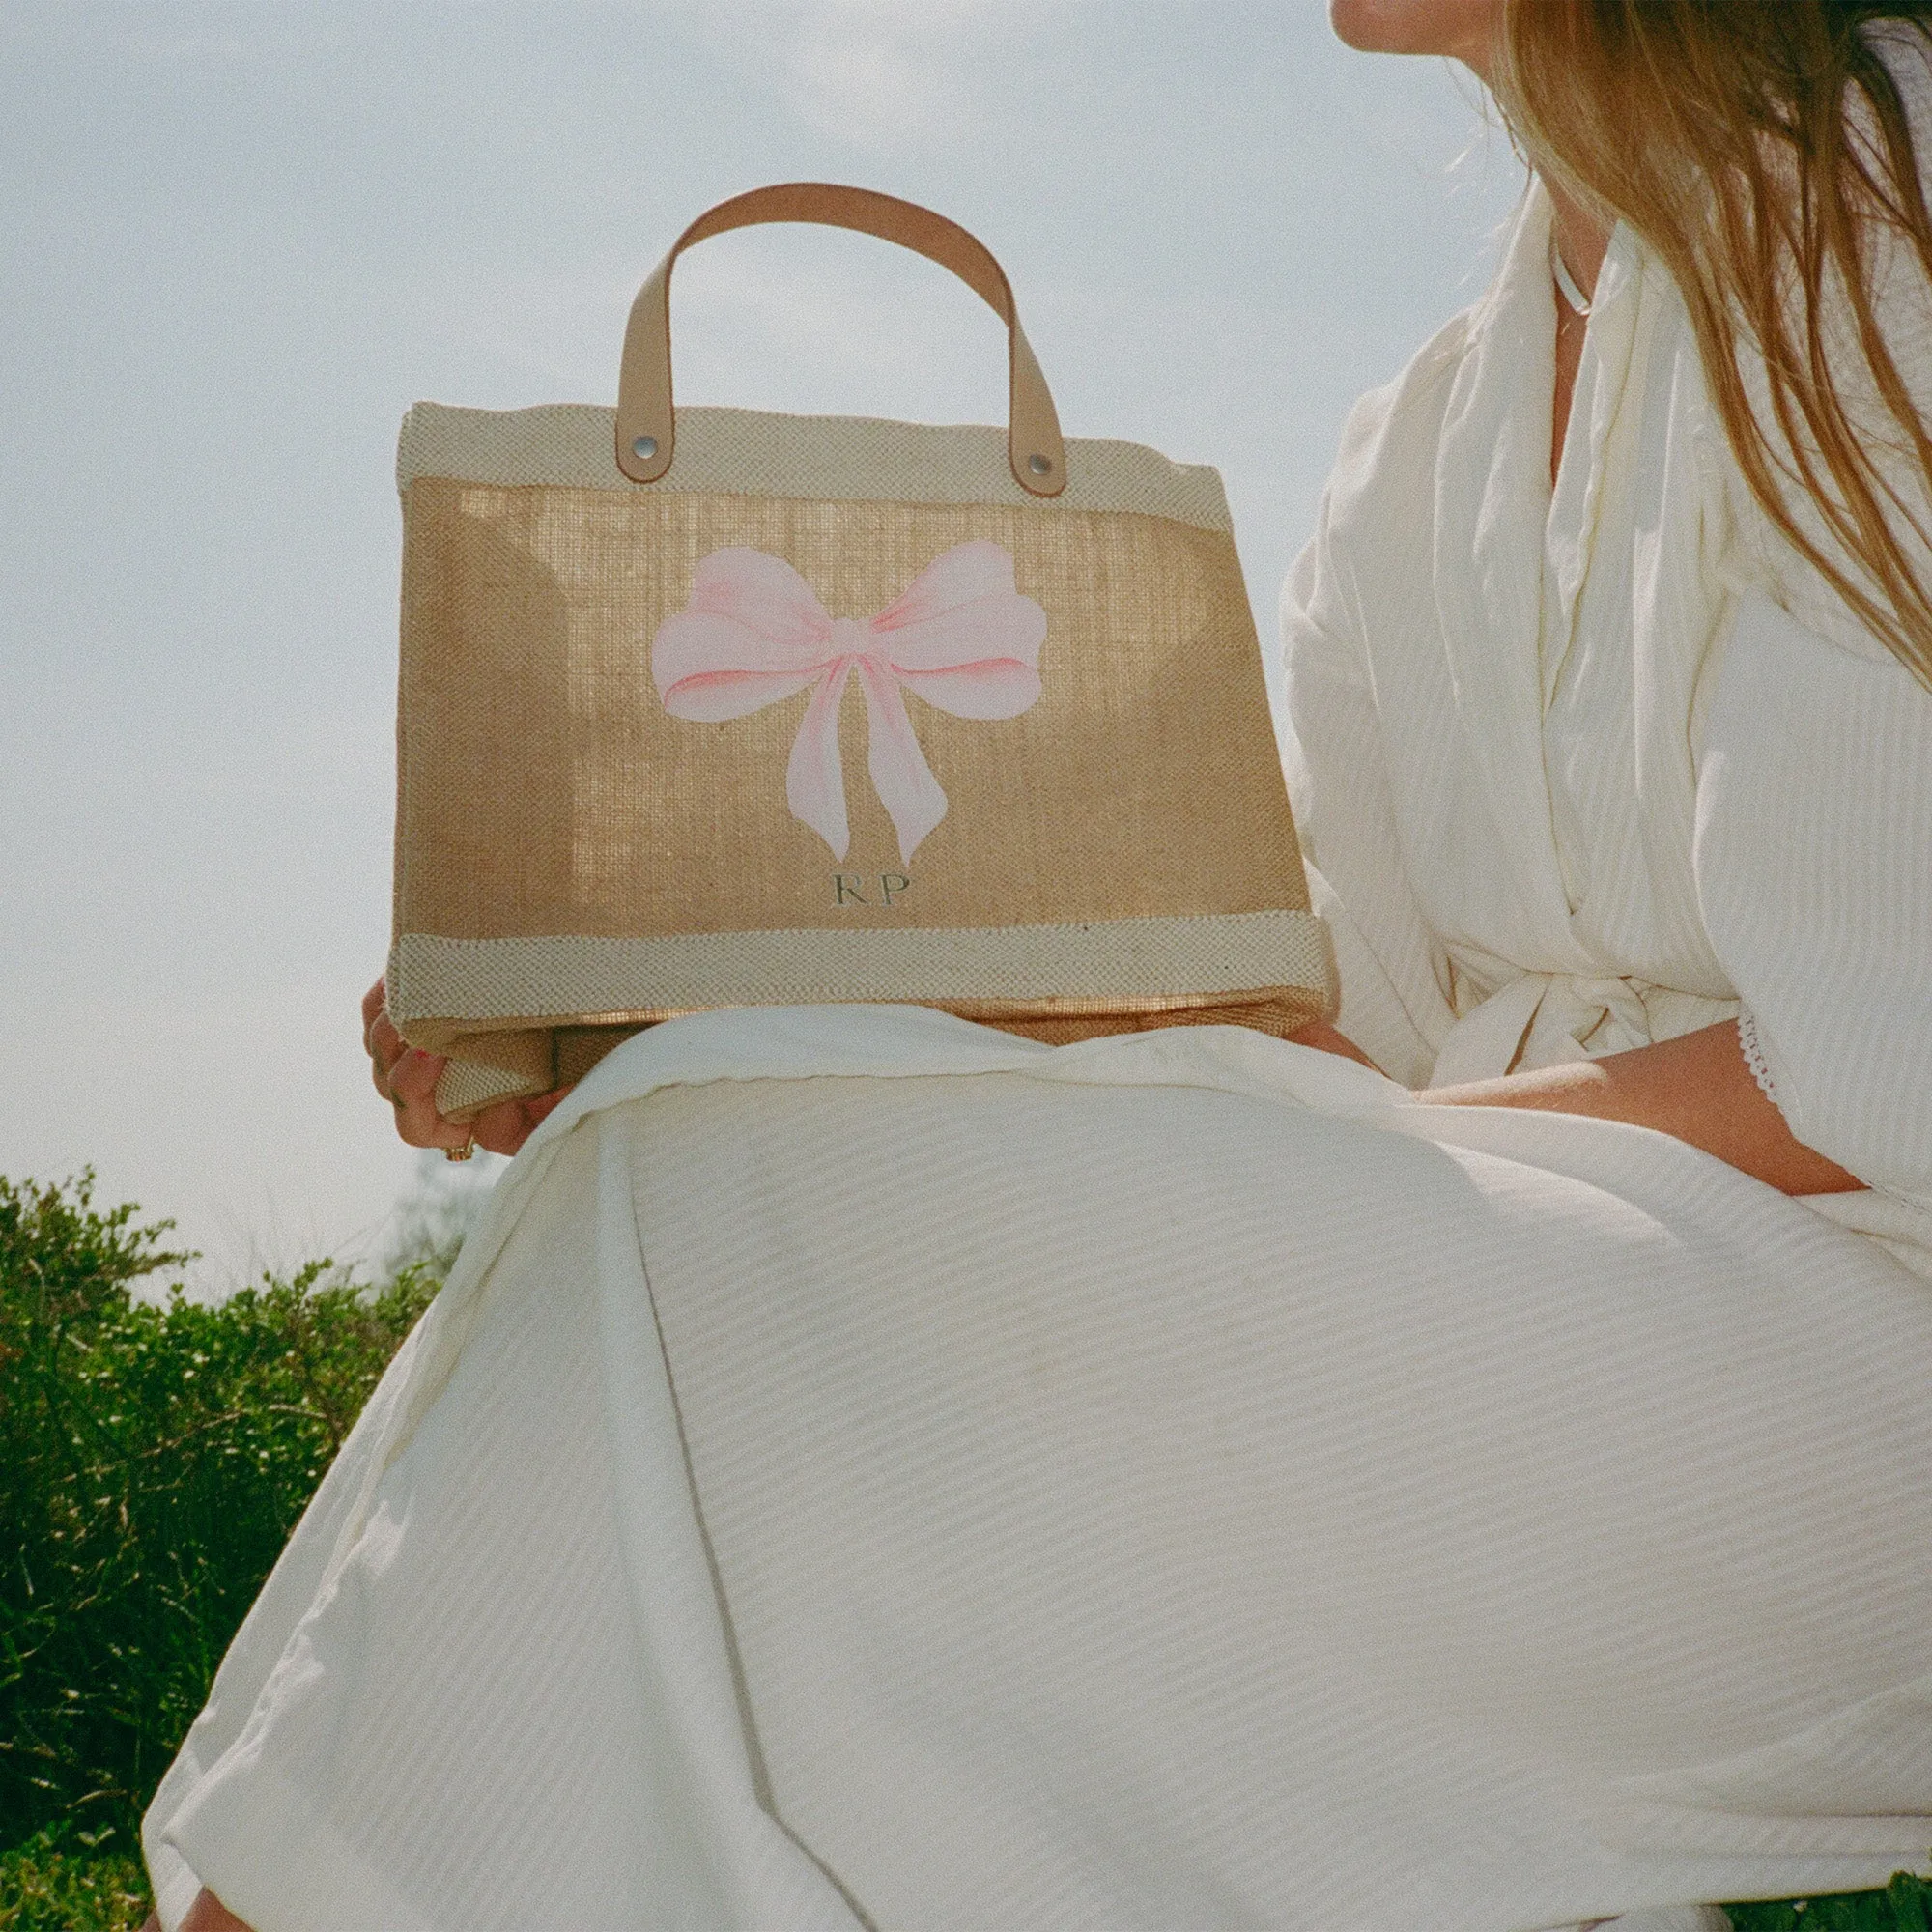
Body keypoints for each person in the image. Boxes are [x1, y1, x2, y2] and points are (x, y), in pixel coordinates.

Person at [145, 3, 1932, 1928]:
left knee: (726, 1213)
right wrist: (667, 1027)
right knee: (678, 1157)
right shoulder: (1424, 427)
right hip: (1532, 1273)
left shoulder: (1878, 212)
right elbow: (1328, 1027)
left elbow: (1859, 1064)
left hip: (1855, 1346)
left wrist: (1154, 1122)